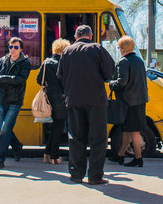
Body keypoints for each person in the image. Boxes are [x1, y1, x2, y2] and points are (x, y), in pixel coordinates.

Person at [57, 25, 115, 185]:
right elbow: (110, 72)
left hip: (73, 100)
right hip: (96, 100)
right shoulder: (97, 48)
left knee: (76, 138)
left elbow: (60, 75)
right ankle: (95, 176)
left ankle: (76, 174)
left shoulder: (66, 52)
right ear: (90, 35)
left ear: (75, 37)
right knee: (98, 139)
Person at [0, 37, 31, 169]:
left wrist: (1, 78)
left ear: (21, 49)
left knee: (5, 130)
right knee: (4, 130)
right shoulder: (3, 60)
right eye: (11, 47)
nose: (13, 50)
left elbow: (20, 80)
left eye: (16, 47)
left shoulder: (25, 63)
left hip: (15, 102)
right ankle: (17, 147)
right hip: (2, 100)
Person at [108, 36, 148, 167]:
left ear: (123, 48)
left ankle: (138, 158)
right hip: (139, 100)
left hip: (128, 102)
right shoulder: (139, 61)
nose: (119, 50)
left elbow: (122, 82)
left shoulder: (124, 62)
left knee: (134, 131)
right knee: (126, 129)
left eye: (119, 47)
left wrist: (111, 84)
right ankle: (120, 155)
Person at [36, 38, 70, 164]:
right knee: (58, 128)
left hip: (48, 98)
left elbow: (39, 80)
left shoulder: (46, 62)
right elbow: (65, 82)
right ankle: (54, 156)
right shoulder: (63, 64)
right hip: (60, 100)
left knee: (54, 127)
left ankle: (47, 153)